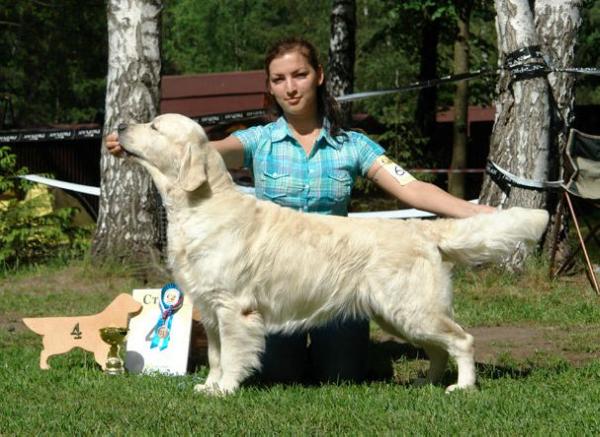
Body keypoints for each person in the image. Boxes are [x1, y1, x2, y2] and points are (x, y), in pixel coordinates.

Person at [106, 37, 495, 384]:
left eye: (299, 75)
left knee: (342, 374)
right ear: (270, 88)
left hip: (339, 270)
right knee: (279, 374)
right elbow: (197, 151)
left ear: (318, 76)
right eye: (279, 80)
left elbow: (410, 187)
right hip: (278, 279)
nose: (290, 87)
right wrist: (138, 145)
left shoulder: (352, 144)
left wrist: (471, 213)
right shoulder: (258, 140)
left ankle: (381, 355)